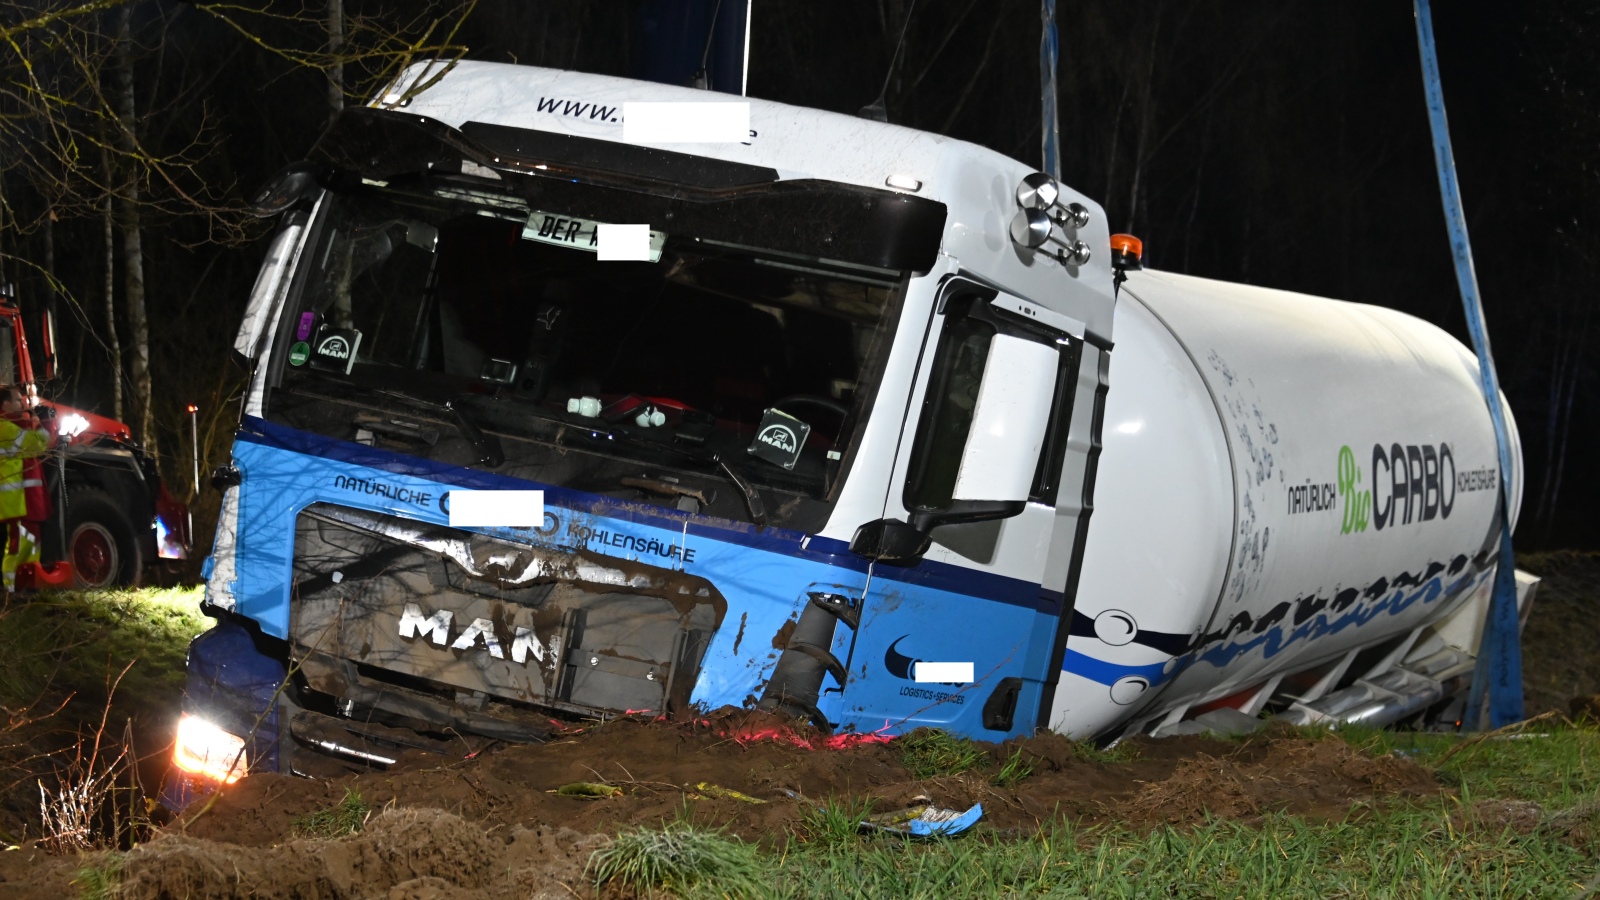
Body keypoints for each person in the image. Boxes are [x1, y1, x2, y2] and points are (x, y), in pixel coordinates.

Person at [0, 386, 49, 593]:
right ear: (5, 405)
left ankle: (26, 588)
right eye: (18, 400)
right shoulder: (4, 427)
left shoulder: (15, 426)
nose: (23, 404)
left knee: (28, 547)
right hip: (15, 504)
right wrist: (44, 425)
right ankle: (10, 595)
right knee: (16, 549)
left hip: (23, 503)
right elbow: (37, 445)